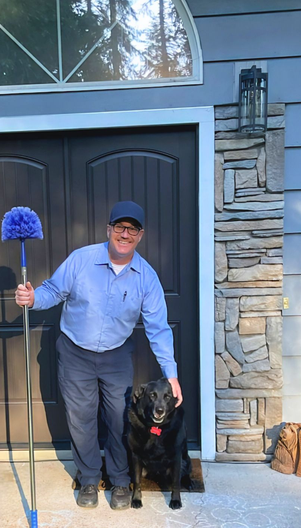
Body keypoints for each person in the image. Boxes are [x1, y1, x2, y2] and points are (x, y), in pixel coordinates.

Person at [15, 201, 182, 511]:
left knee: (120, 419)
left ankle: (120, 481)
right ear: (109, 230)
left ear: (140, 235)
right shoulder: (81, 260)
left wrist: (170, 375)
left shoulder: (146, 277)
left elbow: (158, 329)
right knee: (80, 419)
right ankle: (90, 478)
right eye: (119, 227)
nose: (125, 234)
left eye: (132, 229)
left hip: (116, 356)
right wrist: (33, 297)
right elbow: (53, 290)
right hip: (75, 351)